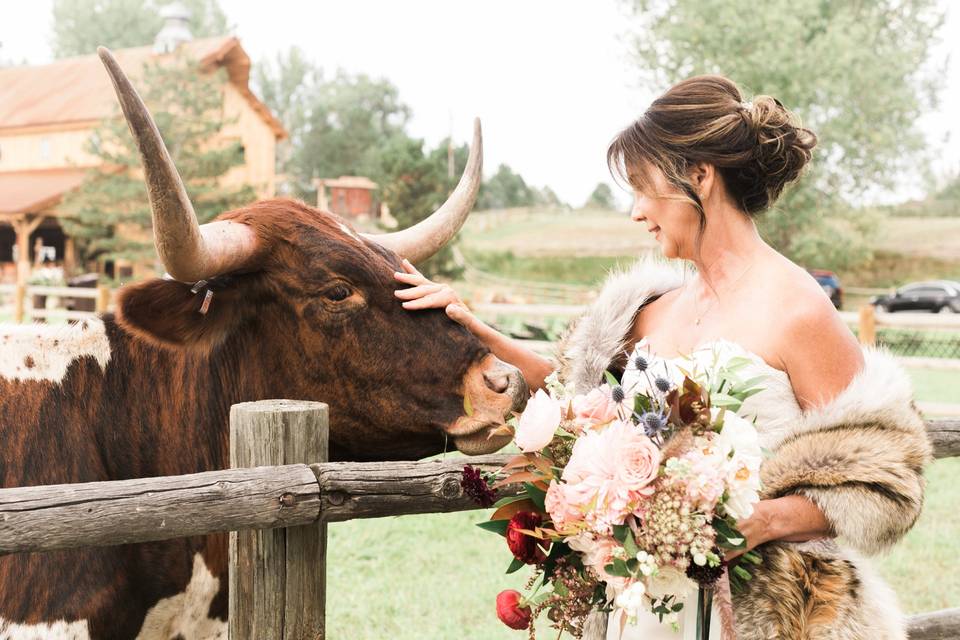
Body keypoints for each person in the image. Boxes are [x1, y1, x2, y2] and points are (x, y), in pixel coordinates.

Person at [394, 75, 930, 639]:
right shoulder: (649, 311)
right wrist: (471, 324)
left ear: (700, 176)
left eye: (642, 187)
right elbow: (573, 398)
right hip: (647, 610)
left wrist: (761, 520)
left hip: (768, 614)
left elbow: (883, 482)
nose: (635, 211)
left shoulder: (798, 309)